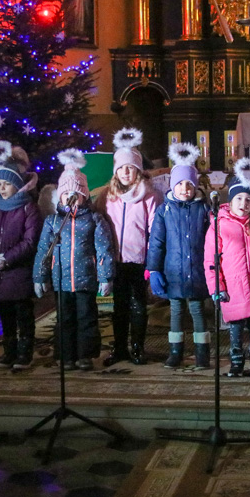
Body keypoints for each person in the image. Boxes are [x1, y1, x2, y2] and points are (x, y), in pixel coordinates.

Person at [33, 149, 114, 371]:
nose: (71, 198)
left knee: (86, 318)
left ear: (84, 196)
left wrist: (106, 276)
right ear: (59, 196)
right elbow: (43, 250)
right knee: (64, 320)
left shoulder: (93, 219)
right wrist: (40, 277)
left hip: (85, 281)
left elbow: (104, 248)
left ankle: (85, 355)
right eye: (66, 193)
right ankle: (66, 355)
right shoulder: (53, 222)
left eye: (76, 194)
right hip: (61, 281)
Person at [206, 158, 250, 376]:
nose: (243, 203)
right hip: (233, 286)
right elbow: (211, 260)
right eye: (239, 198)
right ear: (230, 200)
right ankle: (236, 360)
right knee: (236, 327)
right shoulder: (219, 223)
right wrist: (216, 287)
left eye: (248, 199)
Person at [95, 128, 162, 366]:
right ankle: (120, 347)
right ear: (116, 171)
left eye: (130, 167)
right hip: (116, 260)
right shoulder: (107, 196)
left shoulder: (150, 196)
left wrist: (153, 262)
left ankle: (137, 348)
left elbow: (156, 230)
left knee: (138, 306)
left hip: (139, 260)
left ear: (137, 170)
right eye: (121, 167)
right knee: (119, 306)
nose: (125, 172)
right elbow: (98, 225)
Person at [147, 143, 211, 369]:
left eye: (189, 184)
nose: (185, 188)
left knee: (197, 310)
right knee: (175, 311)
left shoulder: (203, 209)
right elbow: (156, 242)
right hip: (173, 271)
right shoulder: (164, 210)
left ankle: (202, 353)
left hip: (196, 271)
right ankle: (176, 351)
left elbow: (212, 239)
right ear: (172, 186)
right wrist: (154, 269)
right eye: (180, 184)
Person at [0, 142, 42, 370]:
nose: (2, 188)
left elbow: (30, 241)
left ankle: (25, 353)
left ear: (17, 185)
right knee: (5, 315)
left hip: (18, 272)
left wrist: (7, 258)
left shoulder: (28, 208)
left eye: (7, 184)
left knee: (23, 315)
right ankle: (9, 351)